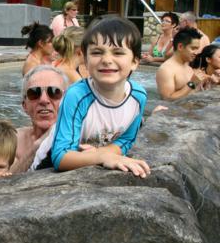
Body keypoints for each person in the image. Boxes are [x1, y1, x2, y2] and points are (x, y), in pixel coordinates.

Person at [31, 16, 150, 178]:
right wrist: (102, 157)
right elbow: (60, 157)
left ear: (135, 62)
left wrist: (104, 153)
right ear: (85, 60)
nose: (107, 60)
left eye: (118, 52)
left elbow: (127, 139)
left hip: (90, 157)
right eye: (97, 52)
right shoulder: (77, 96)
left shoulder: (138, 96)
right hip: (46, 167)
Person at [10, 65, 69, 173]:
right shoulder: (11, 142)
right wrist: (39, 145)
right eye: (34, 93)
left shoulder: (80, 139)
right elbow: (2, 181)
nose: (43, 100)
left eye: (54, 92)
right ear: (24, 106)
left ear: (68, 102)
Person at [156, 27, 208, 100]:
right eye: (193, 48)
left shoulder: (188, 66)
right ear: (180, 46)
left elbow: (192, 92)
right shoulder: (166, 70)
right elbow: (167, 99)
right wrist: (192, 83)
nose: (196, 53)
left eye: (197, 49)